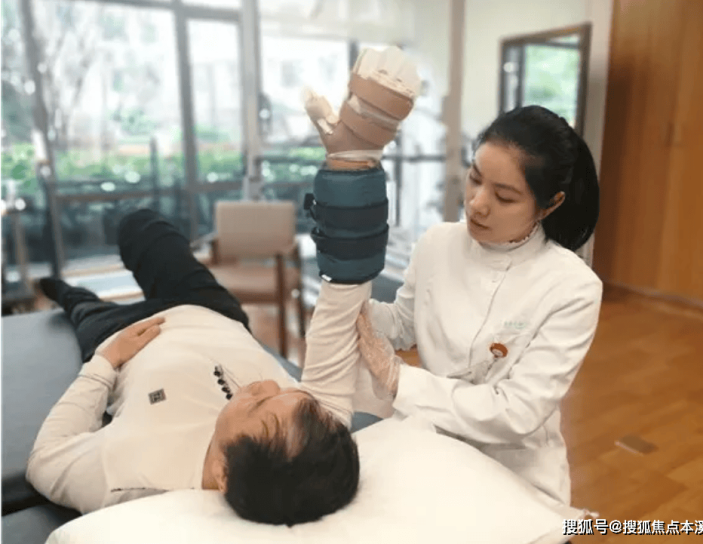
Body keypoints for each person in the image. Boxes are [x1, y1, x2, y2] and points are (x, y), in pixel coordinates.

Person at [26, 46, 420, 525]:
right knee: (139, 224)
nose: (265, 384)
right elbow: (344, 291)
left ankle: (62, 291)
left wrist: (106, 363)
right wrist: (355, 160)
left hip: (126, 338)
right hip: (211, 310)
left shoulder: (130, 473)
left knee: (76, 303)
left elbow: (45, 461)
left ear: (225, 473)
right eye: (288, 392)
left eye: (261, 407)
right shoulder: (313, 435)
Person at [354, 105, 603, 506]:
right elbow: (402, 323)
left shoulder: (572, 287)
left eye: (504, 197)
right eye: (474, 178)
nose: (477, 204)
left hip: (514, 471)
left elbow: (517, 411)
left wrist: (399, 380)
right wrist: (350, 304)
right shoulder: (437, 243)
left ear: (549, 204)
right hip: (430, 442)